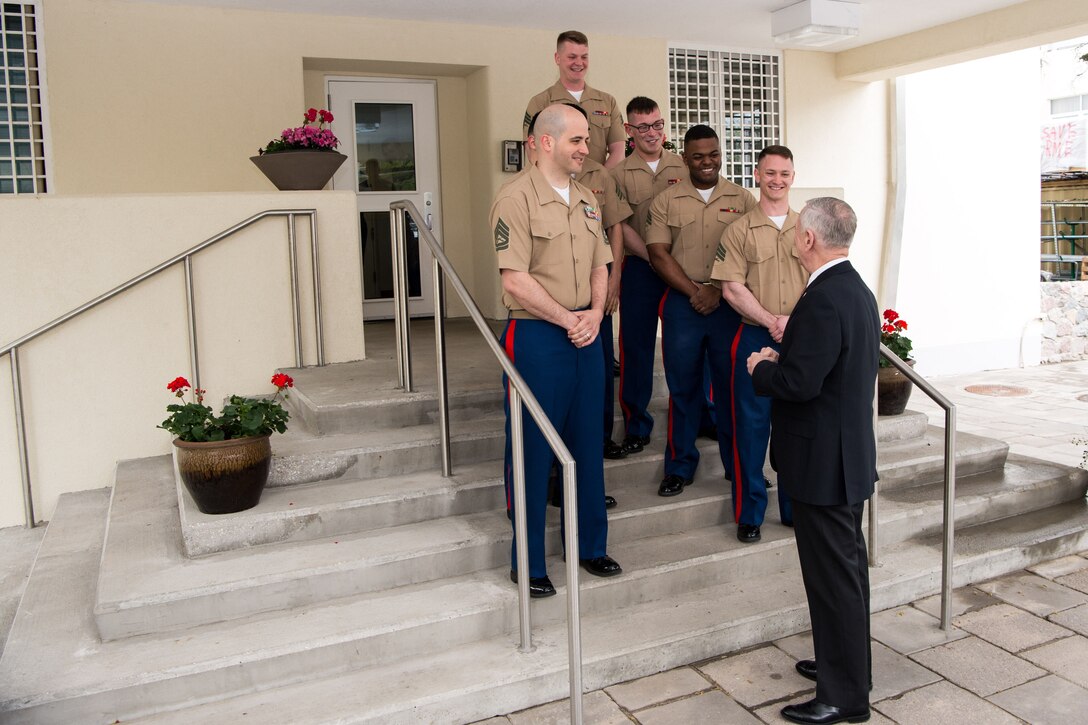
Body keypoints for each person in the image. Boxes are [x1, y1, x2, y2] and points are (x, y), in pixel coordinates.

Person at [747, 197, 878, 725]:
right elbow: (827, 367)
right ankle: (842, 666)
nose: (796, 236)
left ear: (809, 239)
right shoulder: (852, 288)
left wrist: (762, 368)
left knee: (834, 580)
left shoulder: (825, 296)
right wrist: (790, 360)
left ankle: (844, 698)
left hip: (825, 465)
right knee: (843, 577)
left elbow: (801, 385)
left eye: (799, 229)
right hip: (842, 457)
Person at [490, 103, 622, 598]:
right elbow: (515, 279)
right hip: (538, 336)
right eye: (578, 141)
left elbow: (600, 261)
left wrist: (593, 313)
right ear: (545, 142)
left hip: (585, 332)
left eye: (586, 140)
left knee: (589, 441)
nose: (587, 149)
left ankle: (589, 545)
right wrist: (569, 319)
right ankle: (527, 562)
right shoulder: (515, 200)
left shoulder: (588, 198)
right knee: (530, 449)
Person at [645, 125, 755, 498]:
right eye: (697, 156)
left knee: (731, 390)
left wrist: (719, 291)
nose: (706, 162)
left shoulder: (742, 200)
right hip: (683, 304)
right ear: (685, 158)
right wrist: (696, 291)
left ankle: (738, 467)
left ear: (720, 153)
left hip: (729, 306)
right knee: (683, 388)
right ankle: (679, 467)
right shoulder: (667, 200)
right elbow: (658, 254)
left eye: (713, 154)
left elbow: (751, 257)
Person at [712, 145, 805, 543]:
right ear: (756, 174)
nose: (777, 180)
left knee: (797, 426)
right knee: (750, 428)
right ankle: (750, 513)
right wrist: (772, 321)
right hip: (754, 336)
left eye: (784, 173)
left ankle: (792, 507)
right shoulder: (738, 230)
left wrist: (794, 323)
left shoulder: (808, 227)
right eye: (770, 173)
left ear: (793, 177)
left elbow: (822, 280)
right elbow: (731, 288)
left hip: (801, 338)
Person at [610, 96, 687, 456]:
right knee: (636, 348)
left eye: (657, 124)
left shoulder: (683, 166)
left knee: (685, 348)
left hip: (682, 270)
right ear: (629, 130)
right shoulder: (618, 174)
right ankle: (637, 425)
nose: (652, 133)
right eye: (642, 127)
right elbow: (620, 226)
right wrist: (654, 259)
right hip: (641, 268)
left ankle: (699, 417)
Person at [523, 30, 625, 169]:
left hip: (597, 188)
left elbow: (618, 151)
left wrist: (600, 179)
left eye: (584, 57)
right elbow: (532, 151)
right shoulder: (540, 103)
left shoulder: (607, 102)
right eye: (572, 57)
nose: (579, 63)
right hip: (556, 187)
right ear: (557, 58)